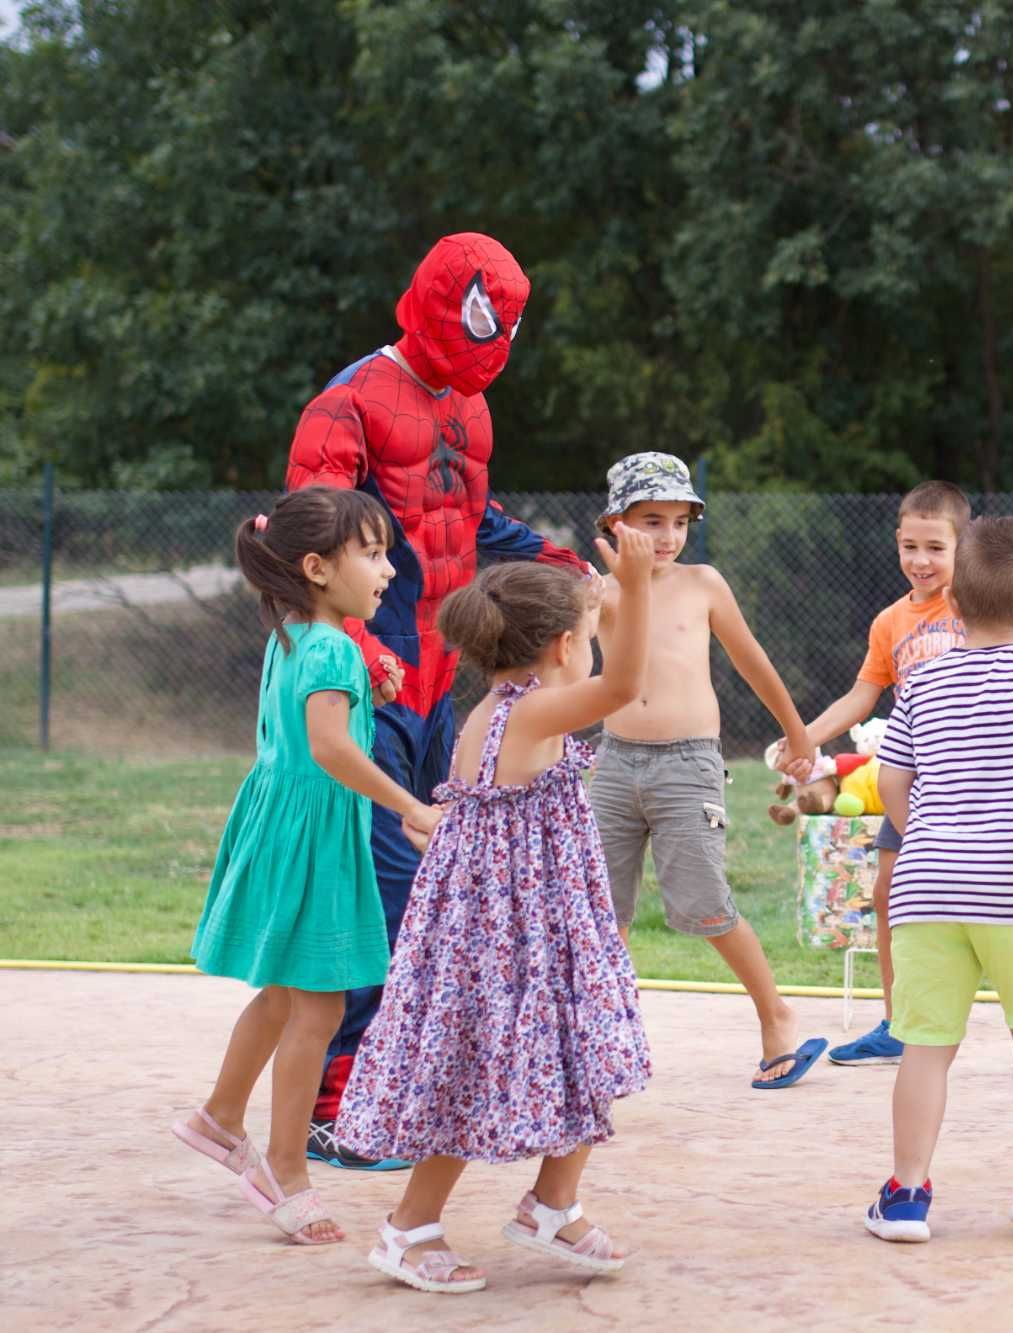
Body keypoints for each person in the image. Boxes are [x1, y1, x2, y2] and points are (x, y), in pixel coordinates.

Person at [286, 232, 591, 1170]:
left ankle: (390, 1092)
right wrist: (353, 650)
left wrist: (558, 558)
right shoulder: (350, 401)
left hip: (434, 686)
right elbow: (308, 537)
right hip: (371, 686)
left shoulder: (471, 405)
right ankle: (334, 1104)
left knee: (432, 896)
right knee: (381, 894)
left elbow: (466, 519)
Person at [334, 525, 660, 1293]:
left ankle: (553, 1201)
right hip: (509, 936)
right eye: (587, 636)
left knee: (583, 1043)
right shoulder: (525, 715)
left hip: (537, 927)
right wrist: (640, 591)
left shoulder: (514, 704)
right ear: (558, 648)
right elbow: (621, 689)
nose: (595, 646)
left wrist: (609, 603)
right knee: (474, 1068)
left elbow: (604, 675)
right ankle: (408, 1228)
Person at [172, 487, 443, 1245]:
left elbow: (318, 720)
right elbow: (329, 746)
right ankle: (284, 1168)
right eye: (373, 552)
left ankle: (221, 1117)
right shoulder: (329, 646)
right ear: (319, 567)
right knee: (318, 1009)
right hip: (315, 839)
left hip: (282, 828)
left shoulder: (298, 633)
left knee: (288, 996)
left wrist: (366, 687)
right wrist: (410, 806)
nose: (389, 568)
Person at [799, 481, 1013, 1069]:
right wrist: (806, 736)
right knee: (894, 898)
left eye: (935, 548)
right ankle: (898, 1022)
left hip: (984, 795)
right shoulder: (890, 622)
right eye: (908, 546)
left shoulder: (990, 604)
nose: (920, 560)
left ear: (964, 552)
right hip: (917, 786)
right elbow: (864, 695)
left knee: (1007, 914)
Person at [864, 516, 1013, 1244]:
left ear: (953, 605)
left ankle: (905, 1194)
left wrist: (928, 833)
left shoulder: (924, 677)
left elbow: (892, 779)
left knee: (926, 1044)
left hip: (926, 890)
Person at [587, 451, 828, 1089]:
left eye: (678, 522)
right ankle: (604, 1041)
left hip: (688, 764)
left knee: (704, 905)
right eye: (650, 520)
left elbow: (752, 661)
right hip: (611, 763)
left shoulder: (704, 584)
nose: (667, 537)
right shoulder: (597, 589)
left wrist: (798, 732)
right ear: (615, 522)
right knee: (599, 914)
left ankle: (776, 1015)